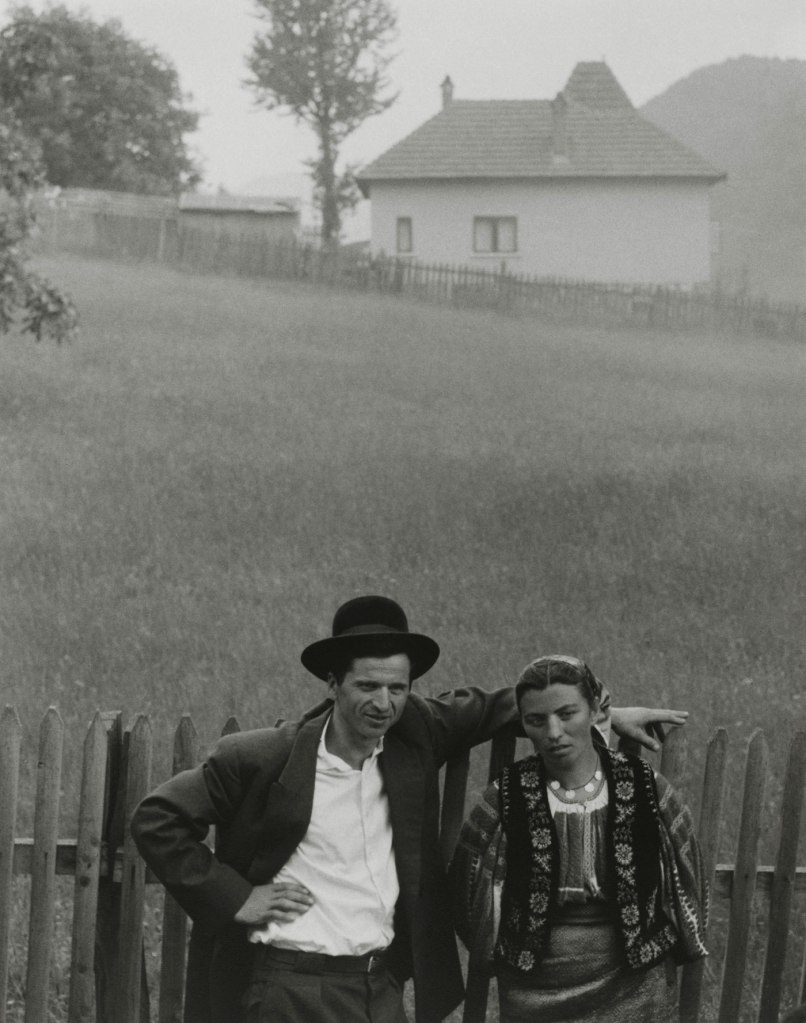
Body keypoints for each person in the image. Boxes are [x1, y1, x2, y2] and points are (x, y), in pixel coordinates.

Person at [131, 597, 688, 1023]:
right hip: (290, 986)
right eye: (367, 686)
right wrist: (238, 898)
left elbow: (503, 708)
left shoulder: (413, 731)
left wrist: (600, 716)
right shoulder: (261, 758)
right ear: (332, 683)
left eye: (398, 687)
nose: (383, 703)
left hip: (380, 988)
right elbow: (157, 819)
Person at [450, 654, 708, 1023]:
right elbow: (467, 881)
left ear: (596, 711)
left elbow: (686, 867)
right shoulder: (507, 795)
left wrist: (672, 938)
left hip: (632, 980)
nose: (553, 733)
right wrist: (502, 948)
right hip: (534, 986)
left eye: (567, 714)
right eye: (536, 721)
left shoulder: (643, 786)